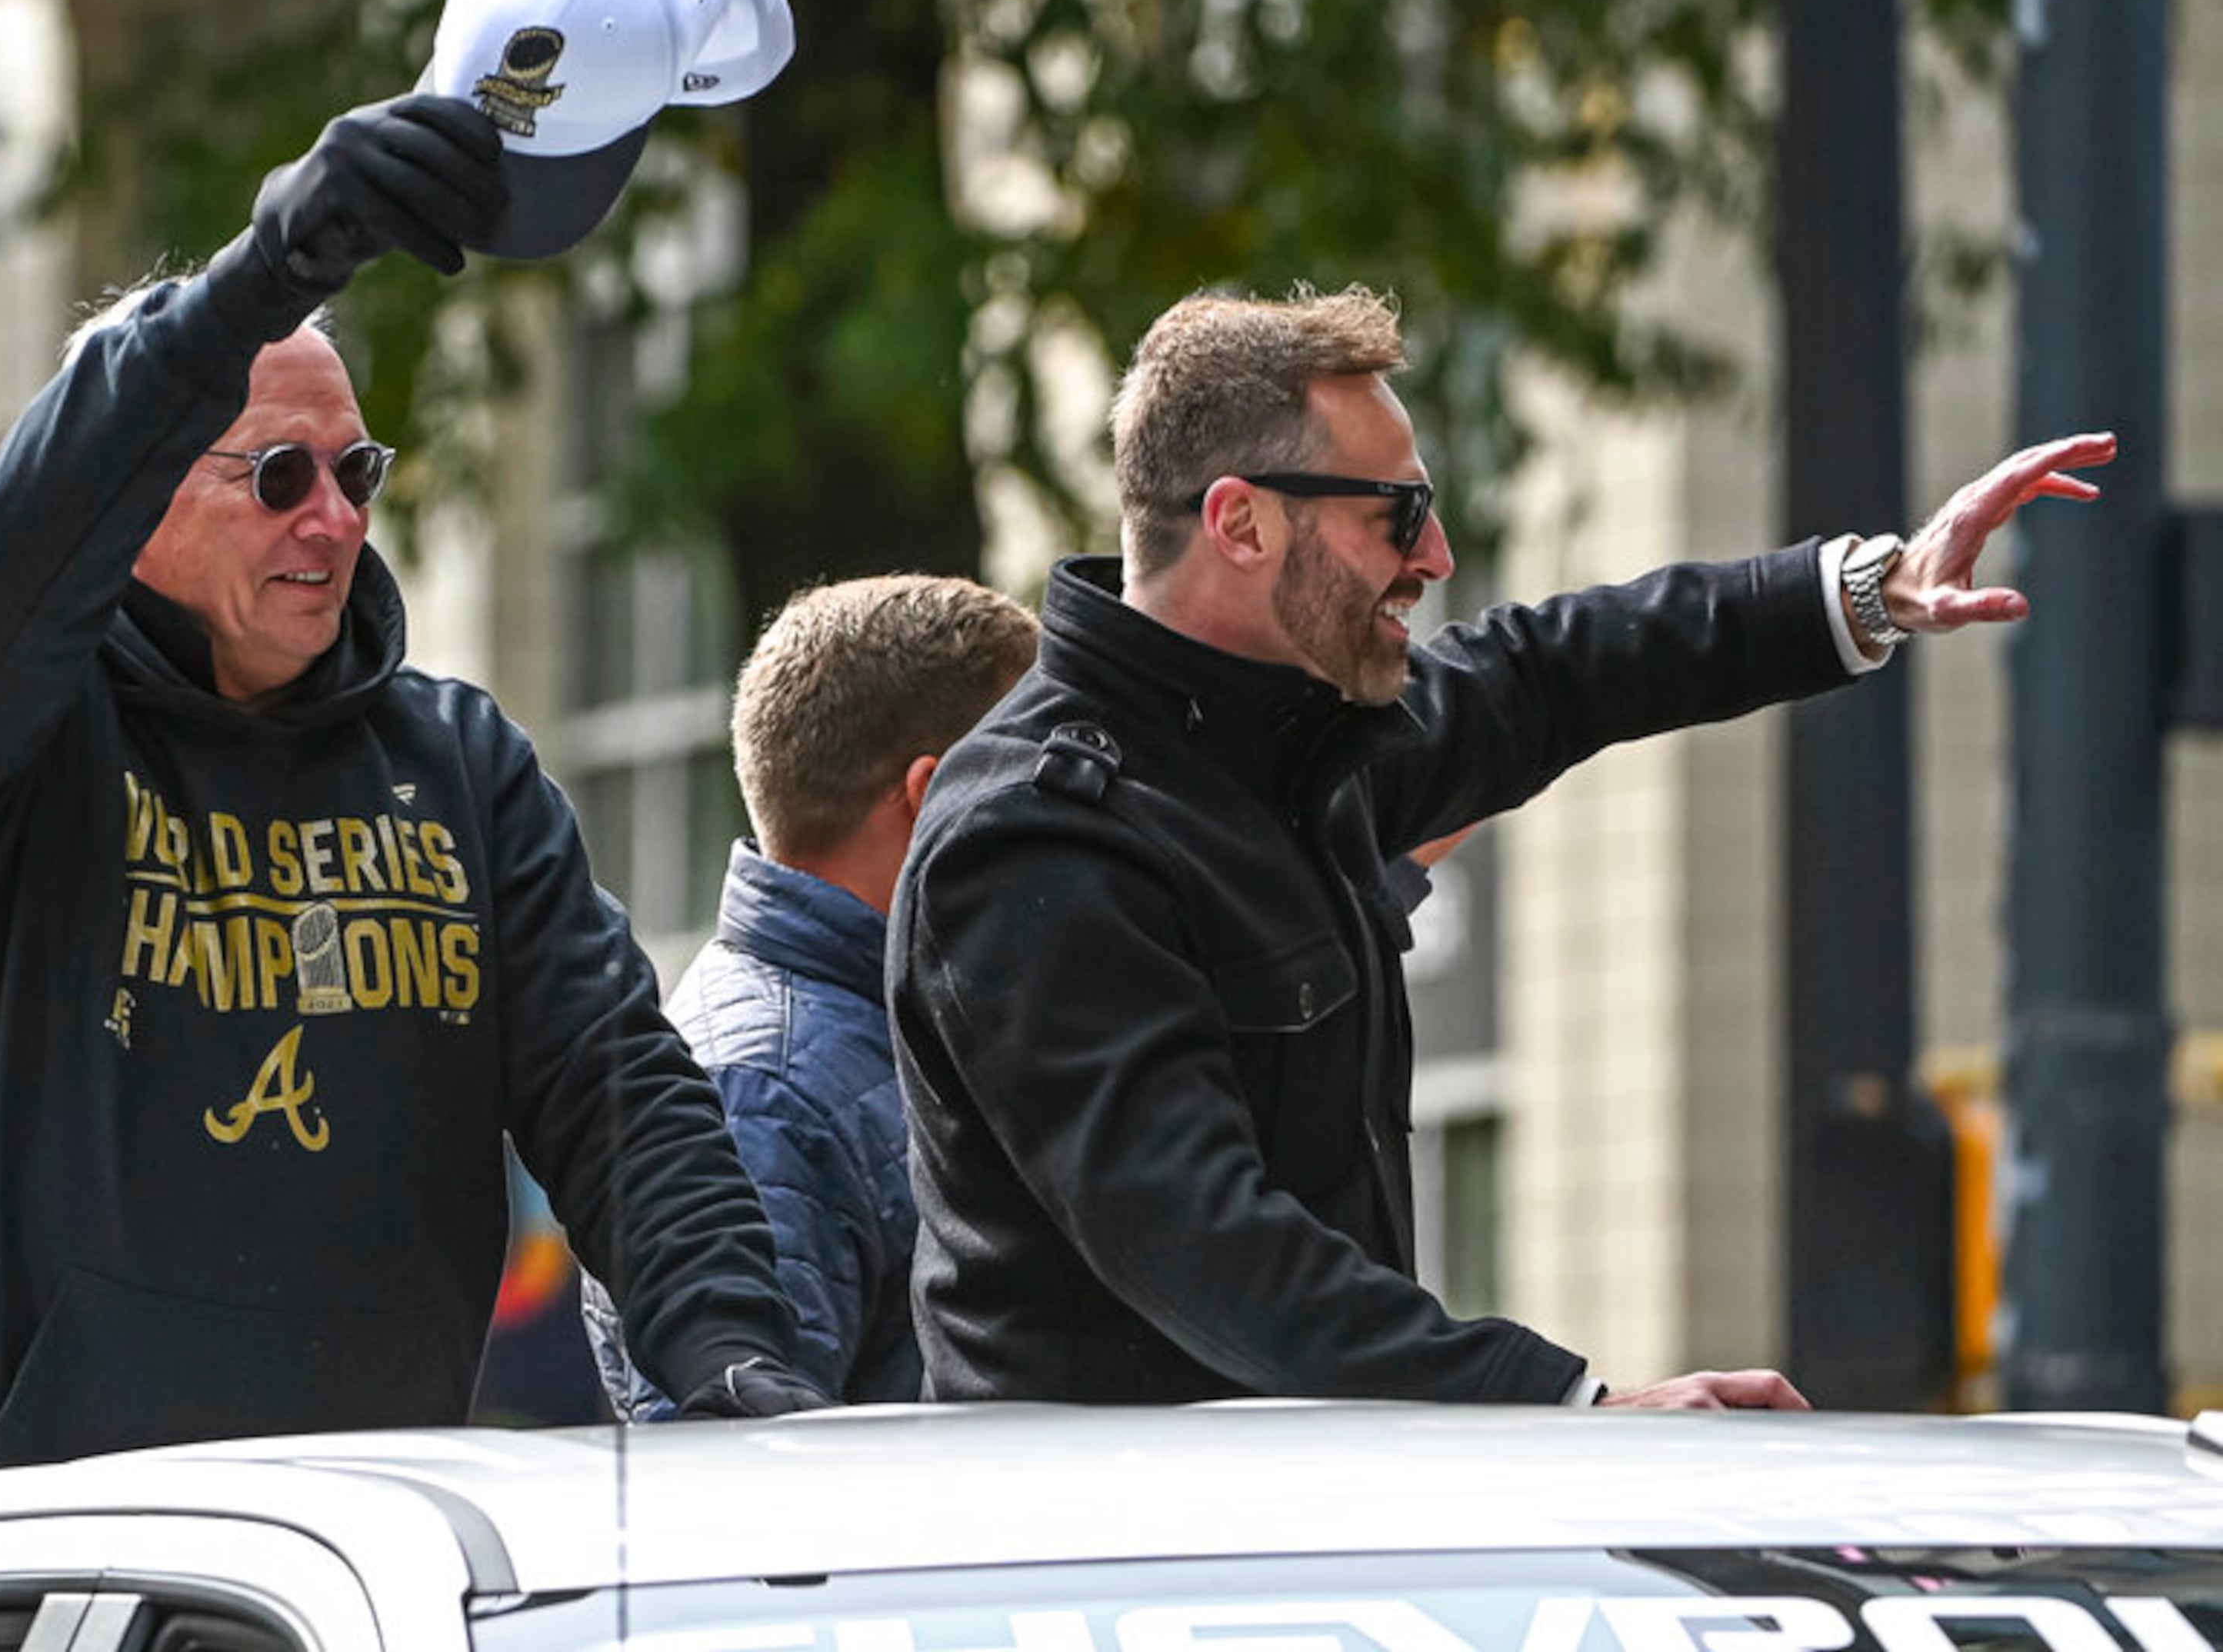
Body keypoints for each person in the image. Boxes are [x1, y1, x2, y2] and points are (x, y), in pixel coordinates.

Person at [0, 95, 822, 1502]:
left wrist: (733, 1354)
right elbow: (21, 530)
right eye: (275, 476)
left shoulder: (463, 769)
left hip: (347, 1547)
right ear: (137, 497)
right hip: (8, 1554)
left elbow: (616, 1084)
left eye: (355, 473)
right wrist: (267, 269)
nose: (329, 517)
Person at [889, 285, 2113, 1408]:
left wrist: (1864, 591)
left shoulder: (1299, 742)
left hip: (1298, 1524)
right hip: (1093, 1570)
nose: (1435, 557)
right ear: (1241, 524)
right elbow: (1212, 1251)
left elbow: (1551, 670)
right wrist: (1566, 1413)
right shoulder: (1039, 835)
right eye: (1398, 517)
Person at [580, 575, 1042, 1417]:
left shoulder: (889, 1029)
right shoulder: (762, 1093)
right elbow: (737, 1503)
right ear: (933, 797)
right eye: (1032, 778)